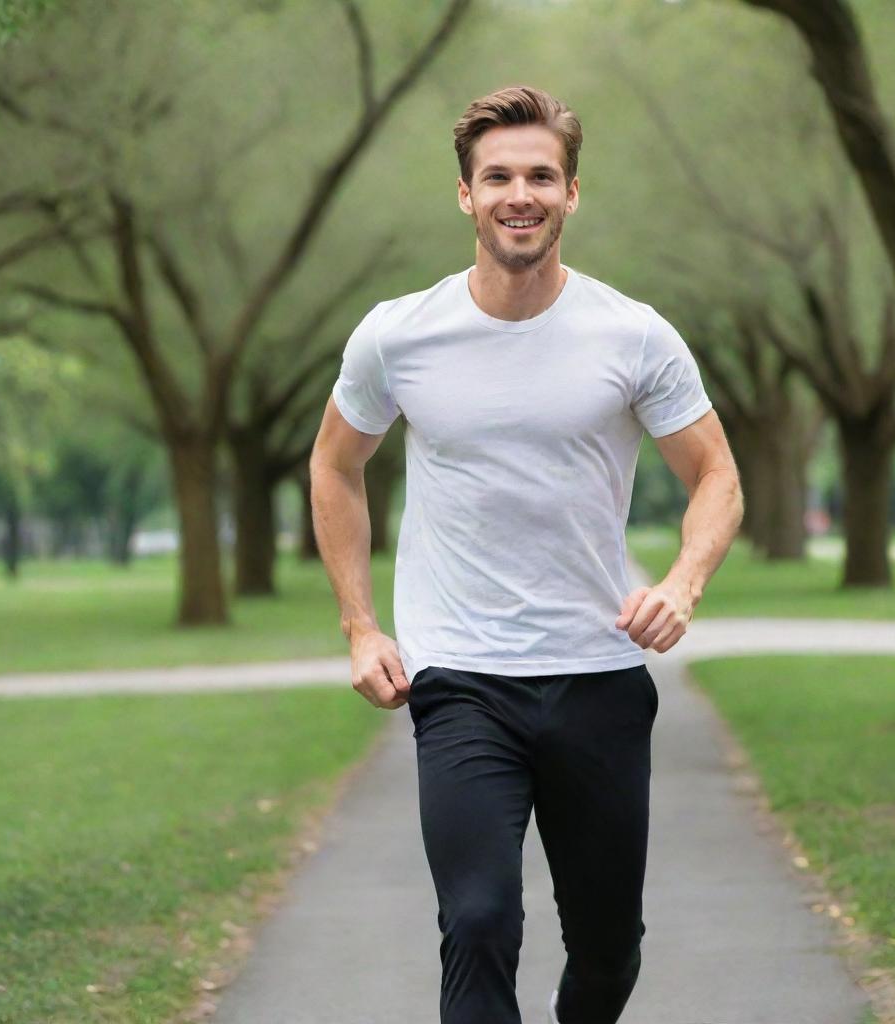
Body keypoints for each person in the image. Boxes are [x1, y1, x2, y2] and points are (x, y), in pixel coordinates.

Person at [310, 85, 743, 1024]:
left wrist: (683, 581)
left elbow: (717, 474)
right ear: (465, 195)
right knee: (476, 920)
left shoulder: (632, 335)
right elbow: (335, 467)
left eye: (540, 176)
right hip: (463, 678)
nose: (520, 194)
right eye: (498, 176)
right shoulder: (399, 335)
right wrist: (359, 627)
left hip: (598, 675)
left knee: (606, 949)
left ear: (571, 194)